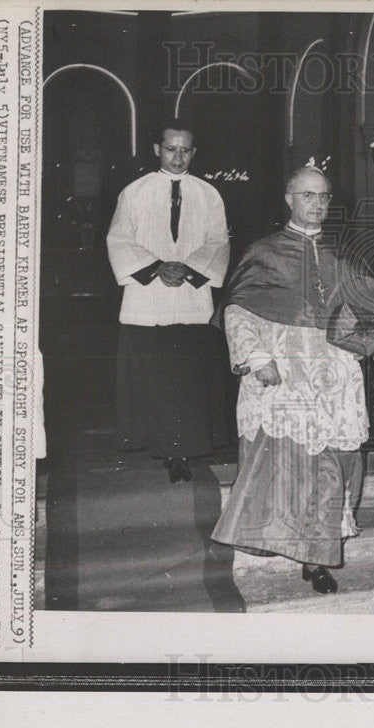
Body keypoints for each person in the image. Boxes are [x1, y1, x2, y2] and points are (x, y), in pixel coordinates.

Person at [211, 167, 374, 594]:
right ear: (289, 199)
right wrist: (256, 357)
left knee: (331, 469)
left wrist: (369, 340)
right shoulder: (264, 251)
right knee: (294, 469)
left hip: (336, 376)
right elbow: (237, 311)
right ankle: (294, 544)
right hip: (285, 374)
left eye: (323, 196)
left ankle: (315, 557)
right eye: (308, 195)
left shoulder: (344, 254)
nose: (317, 204)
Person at [106, 119, 230, 483]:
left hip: (191, 298)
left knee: (189, 378)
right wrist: (157, 267)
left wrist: (188, 270)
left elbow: (218, 241)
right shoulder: (135, 192)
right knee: (156, 377)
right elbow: (119, 239)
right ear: (157, 150)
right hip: (148, 299)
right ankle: (164, 447)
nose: (178, 157)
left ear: (194, 152)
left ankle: (185, 451)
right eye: (171, 149)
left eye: (185, 150)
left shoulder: (209, 194)